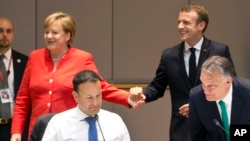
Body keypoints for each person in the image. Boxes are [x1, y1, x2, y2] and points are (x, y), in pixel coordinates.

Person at [10, 12, 135, 141]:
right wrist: (16, 131)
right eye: (46, 32)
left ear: (68, 35)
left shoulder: (82, 58)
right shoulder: (35, 57)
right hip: (39, 130)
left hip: (68, 131)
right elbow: (23, 98)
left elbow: (100, 87)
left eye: (54, 33)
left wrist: (128, 98)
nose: (49, 36)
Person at [129, 4, 235, 141]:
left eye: (186, 22)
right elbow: (157, 87)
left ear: (201, 25)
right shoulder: (169, 55)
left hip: (213, 128)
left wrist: (199, 105)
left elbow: (230, 87)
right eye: (179, 22)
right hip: (181, 131)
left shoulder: (219, 51)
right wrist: (142, 94)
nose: (180, 26)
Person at [42, 70, 130, 141]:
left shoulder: (115, 121)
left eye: (98, 96)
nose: (95, 103)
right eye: (89, 97)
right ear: (76, 97)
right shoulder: (58, 123)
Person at [188, 56, 250, 141]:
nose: (205, 91)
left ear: (228, 81)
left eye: (211, 85)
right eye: (203, 83)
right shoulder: (196, 97)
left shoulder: (247, 93)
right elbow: (197, 136)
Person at [0, 18, 28, 141]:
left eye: (8, 31)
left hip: (14, 127)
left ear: (13, 35)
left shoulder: (24, 61)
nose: (4, 35)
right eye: (0, 31)